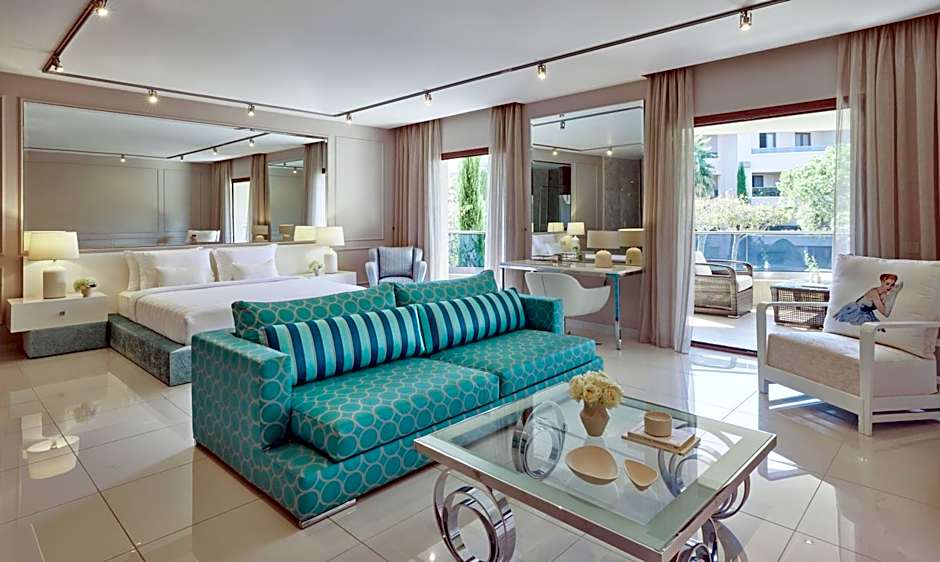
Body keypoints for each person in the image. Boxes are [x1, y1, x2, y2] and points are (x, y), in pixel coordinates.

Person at [832, 273, 903, 326]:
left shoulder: (884, 295)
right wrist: (894, 293)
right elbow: (885, 312)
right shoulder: (874, 293)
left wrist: (893, 293)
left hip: (866, 313)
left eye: (892, 285)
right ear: (882, 282)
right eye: (887, 284)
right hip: (855, 312)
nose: (889, 287)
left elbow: (887, 312)